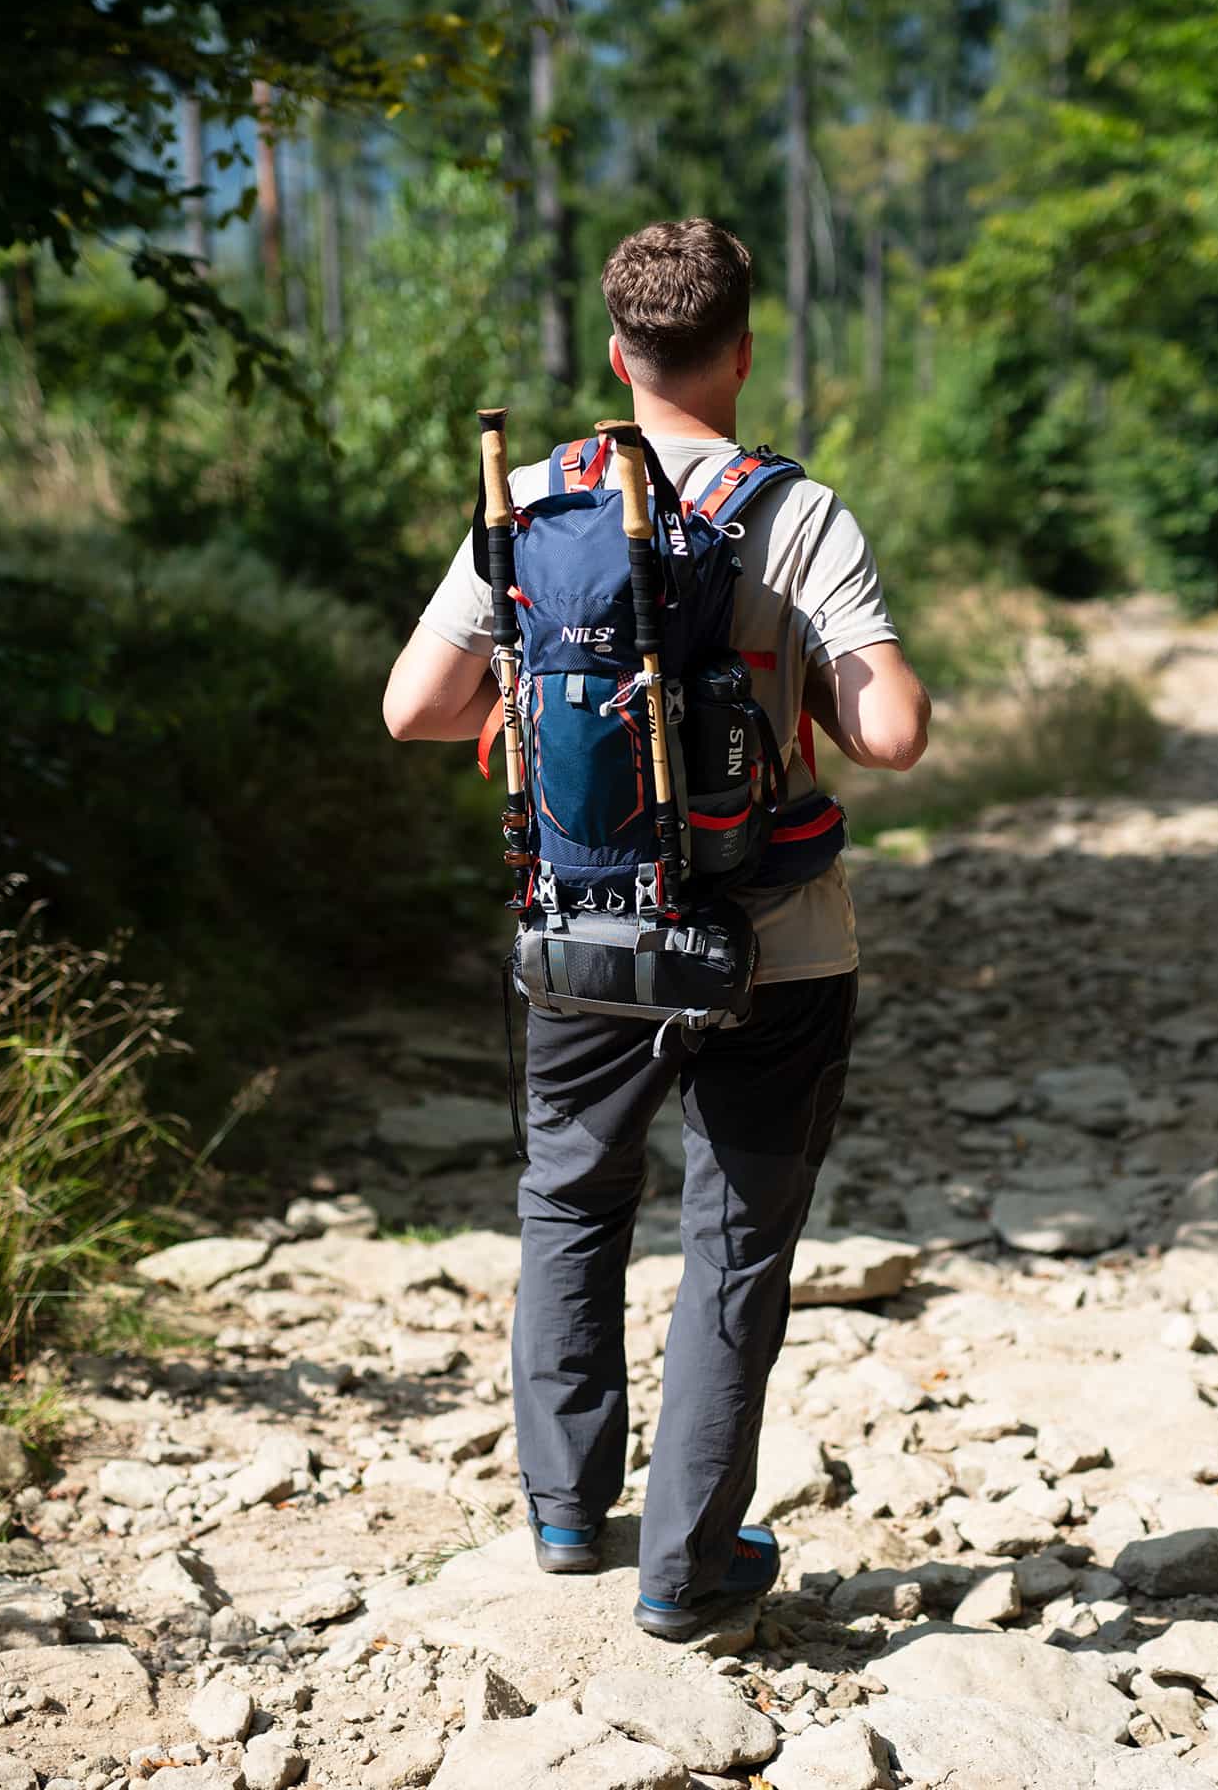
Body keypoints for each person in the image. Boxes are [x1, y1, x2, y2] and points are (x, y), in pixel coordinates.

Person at [382, 218, 931, 1638]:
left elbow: (413, 709)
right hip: (777, 938)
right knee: (736, 1239)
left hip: (581, 935)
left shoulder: (541, 504)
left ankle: (568, 1515)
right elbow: (894, 735)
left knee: (570, 1200)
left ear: (619, 355)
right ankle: (689, 1569)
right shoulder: (798, 514)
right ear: (745, 351)